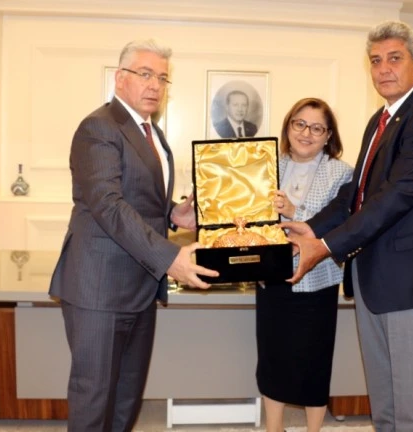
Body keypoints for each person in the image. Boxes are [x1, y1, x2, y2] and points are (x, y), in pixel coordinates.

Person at [282, 21, 413, 432]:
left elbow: (394, 197)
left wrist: (326, 245)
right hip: (374, 278)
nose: (384, 69)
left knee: (412, 404)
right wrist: (311, 228)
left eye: (394, 58)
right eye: (376, 60)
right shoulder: (380, 120)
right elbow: (356, 193)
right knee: (384, 400)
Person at [48, 39, 218, 432]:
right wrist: (170, 258)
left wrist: (173, 213)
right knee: (94, 399)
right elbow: (108, 204)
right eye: (145, 74)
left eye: (162, 78)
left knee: (126, 397)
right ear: (120, 78)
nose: (155, 85)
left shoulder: (151, 132)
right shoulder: (98, 127)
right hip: (99, 288)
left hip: (140, 285)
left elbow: (137, 198)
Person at [258, 98, 353, 432]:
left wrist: (293, 211)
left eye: (317, 128)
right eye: (299, 124)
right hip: (272, 276)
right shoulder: (266, 164)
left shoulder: (342, 172)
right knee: (272, 357)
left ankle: (314, 430)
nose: (306, 133)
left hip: (318, 281)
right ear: (288, 126)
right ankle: (274, 428)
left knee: (314, 361)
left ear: (328, 136)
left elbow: (339, 222)